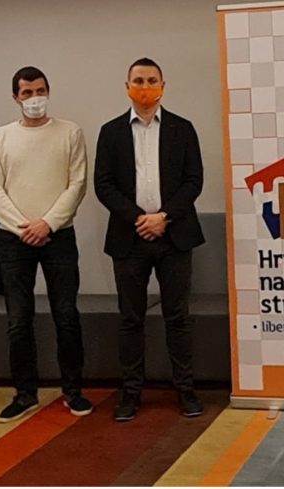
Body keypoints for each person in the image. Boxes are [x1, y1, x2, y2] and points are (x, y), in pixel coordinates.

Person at [94, 57, 205, 422]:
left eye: (151, 80)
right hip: (129, 237)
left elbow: (193, 181)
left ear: (163, 85)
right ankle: (130, 393)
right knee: (131, 319)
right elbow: (103, 184)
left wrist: (164, 217)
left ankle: (185, 391)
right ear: (127, 86)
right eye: (138, 81)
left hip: (174, 236)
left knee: (178, 318)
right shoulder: (110, 132)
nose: (145, 87)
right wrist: (138, 219)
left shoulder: (182, 129)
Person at [0, 66, 91, 422]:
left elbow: (77, 184)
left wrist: (47, 223)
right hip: (13, 241)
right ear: (15, 97)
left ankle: (73, 392)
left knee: (67, 316)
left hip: (59, 236)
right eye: (27, 92)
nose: (34, 98)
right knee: (18, 320)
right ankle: (25, 394)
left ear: (49, 91)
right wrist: (24, 227)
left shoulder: (70, 132)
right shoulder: (0, 137)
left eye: (40, 91)